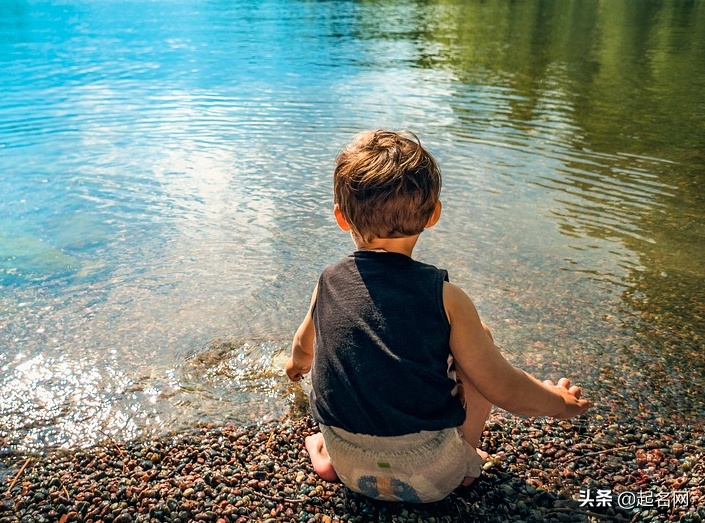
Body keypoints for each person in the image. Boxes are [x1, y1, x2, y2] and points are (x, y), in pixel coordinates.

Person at [285, 130, 590, 503]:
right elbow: (505, 388)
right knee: (479, 340)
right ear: (433, 215)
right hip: (432, 476)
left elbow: (303, 347)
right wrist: (560, 402)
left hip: (350, 466)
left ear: (341, 218)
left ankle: (326, 455)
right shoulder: (446, 298)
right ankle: (466, 461)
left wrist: (295, 368)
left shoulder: (327, 283)